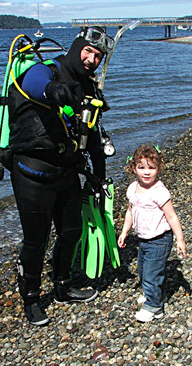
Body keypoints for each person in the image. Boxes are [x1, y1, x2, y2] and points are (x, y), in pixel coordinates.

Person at [7, 26, 114, 326]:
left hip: (67, 170)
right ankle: (31, 299)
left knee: (71, 232)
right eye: (88, 51)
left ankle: (63, 286)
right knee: (35, 240)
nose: (92, 59)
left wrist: (99, 176)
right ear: (77, 46)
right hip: (32, 170)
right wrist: (54, 91)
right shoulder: (48, 71)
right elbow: (33, 81)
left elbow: (91, 134)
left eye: (98, 56)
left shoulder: (89, 88)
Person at [118, 145, 187, 322]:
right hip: (143, 239)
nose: (146, 172)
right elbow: (130, 211)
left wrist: (180, 239)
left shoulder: (159, 191)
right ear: (133, 168)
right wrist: (125, 231)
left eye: (151, 167)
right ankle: (155, 295)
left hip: (160, 239)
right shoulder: (133, 188)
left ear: (159, 168)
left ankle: (154, 307)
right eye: (141, 167)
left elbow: (171, 216)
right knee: (144, 271)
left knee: (151, 274)